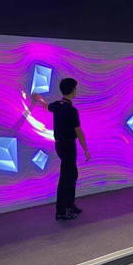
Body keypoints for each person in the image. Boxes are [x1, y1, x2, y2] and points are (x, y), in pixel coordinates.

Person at [33, 78, 90, 220]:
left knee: (72, 174)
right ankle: (61, 211)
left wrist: (39, 99)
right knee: (66, 177)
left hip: (60, 145)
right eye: (76, 89)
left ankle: (70, 205)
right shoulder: (71, 110)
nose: (76, 91)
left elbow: (46, 106)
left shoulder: (57, 105)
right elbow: (78, 131)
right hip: (68, 145)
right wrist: (85, 149)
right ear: (72, 90)